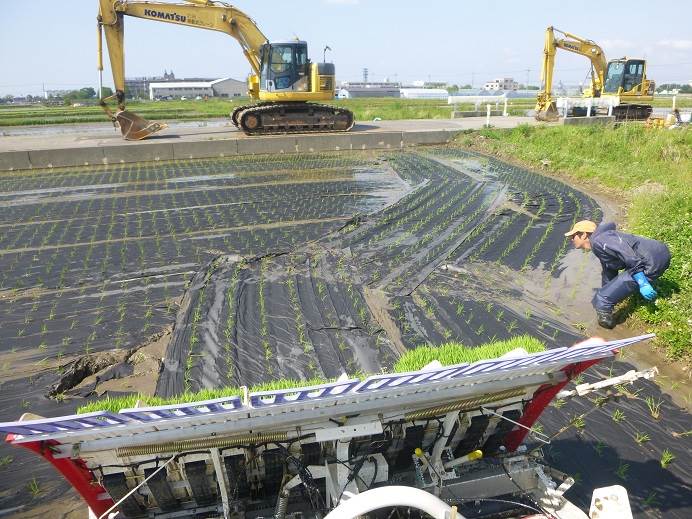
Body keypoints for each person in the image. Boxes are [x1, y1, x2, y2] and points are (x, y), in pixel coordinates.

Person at [564, 220, 671, 329]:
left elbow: (630, 257)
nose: (571, 239)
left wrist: (643, 283)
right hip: (658, 254)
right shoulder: (601, 240)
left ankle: (607, 330)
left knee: (602, 300)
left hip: (652, 262)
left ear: (583, 235)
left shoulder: (599, 240)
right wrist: (609, 290)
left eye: (573, 236)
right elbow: (609, 269)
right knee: (605, 292)